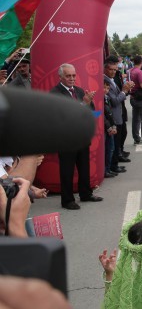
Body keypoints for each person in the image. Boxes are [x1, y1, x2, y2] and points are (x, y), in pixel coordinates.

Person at [50, 63, 102, 210]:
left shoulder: (79, 90)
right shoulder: (55, 93)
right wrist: (83, 103)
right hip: (66, 139)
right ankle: (67, 200)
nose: (72, 78)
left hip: (81, 136)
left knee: (84, 168)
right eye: (68, 76)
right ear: (60, 77)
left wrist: (89, 103)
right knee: (67, 171)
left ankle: (86, 193)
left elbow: (90, 111)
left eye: (73, 75)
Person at [128, 55, 142, 146]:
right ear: (141, 62)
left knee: (136, 119)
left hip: (132, 97)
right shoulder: (140, 72)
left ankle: (136, 138)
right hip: (141, 98)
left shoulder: (130, 71)